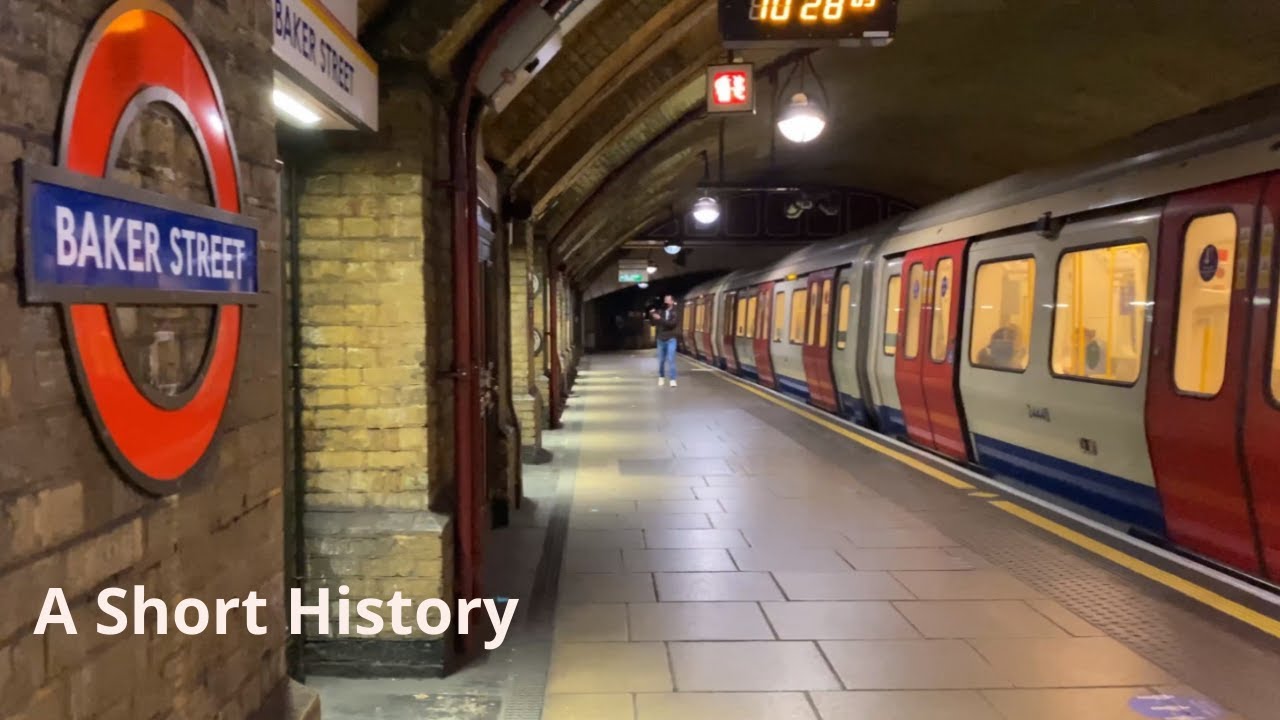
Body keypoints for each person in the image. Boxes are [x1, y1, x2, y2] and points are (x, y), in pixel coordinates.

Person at [650, 295, 680, 387]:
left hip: (671, 339)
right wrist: (652, 316)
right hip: (661, 339)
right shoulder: (660, 311)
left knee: (671, 359)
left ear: (672, 302)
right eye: (665, 300)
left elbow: (672, 324)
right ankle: (661, 377)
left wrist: (660, 319)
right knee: (661, 360)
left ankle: (672, 379)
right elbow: (653, 324)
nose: (666, 302)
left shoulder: (675, 312)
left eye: (668, 300)